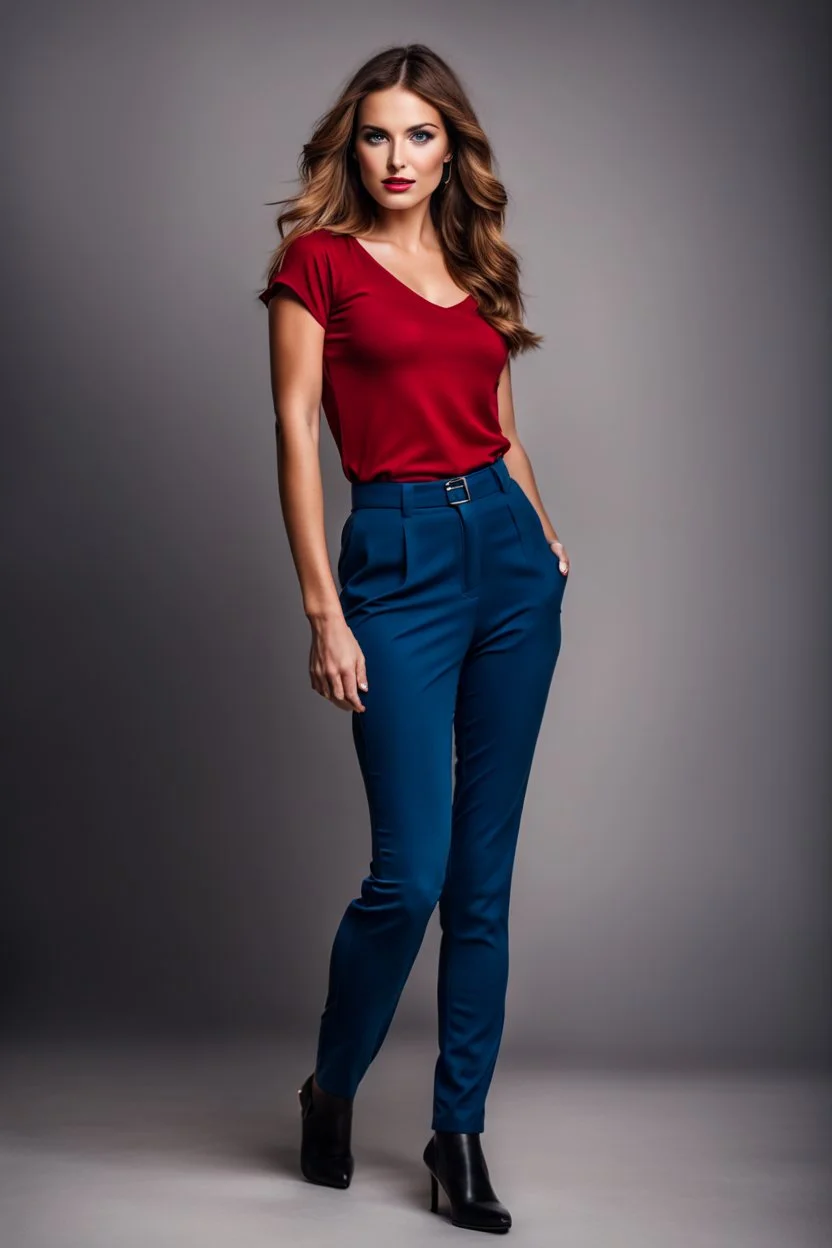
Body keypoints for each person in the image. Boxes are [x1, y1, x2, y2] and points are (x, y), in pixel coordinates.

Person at [258, 42, 570, 1236]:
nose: (398, 157)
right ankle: (331, 1087)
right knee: (411, 876)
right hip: (392, 564)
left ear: (453, 151)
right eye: (379, 134)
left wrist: (541, 535)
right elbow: (294, 437)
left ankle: (459, 1136)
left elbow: (499, 426)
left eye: (422, 136)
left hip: (505, 560)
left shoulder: (481, 270)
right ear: (354, 144)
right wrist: (322, 610)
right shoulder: (318, 266)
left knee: (482, 887)